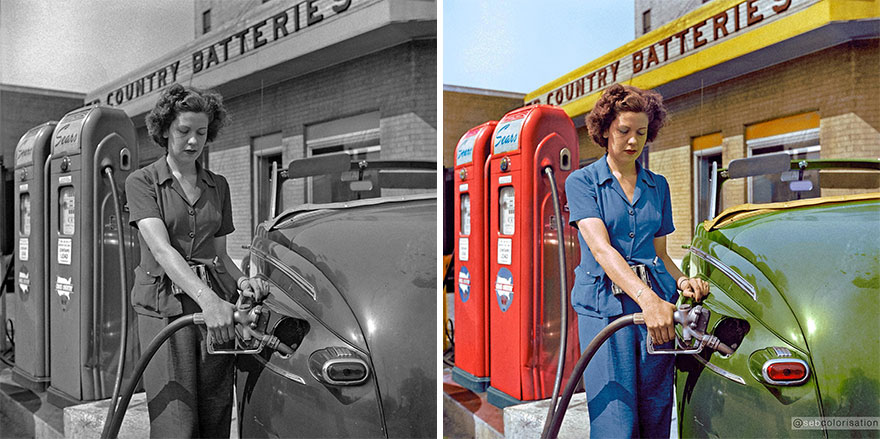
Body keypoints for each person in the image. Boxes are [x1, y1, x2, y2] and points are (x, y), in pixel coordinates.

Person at [564, 83, 709, 438]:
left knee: (656, 411)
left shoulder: (658, 185)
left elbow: (660, 254)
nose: (633, 141)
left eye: (641, 133)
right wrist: (648, 299)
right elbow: (602, 249)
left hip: (657, 310)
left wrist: (683, 281)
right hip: (606, 310)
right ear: (605, 131)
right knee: (617, 420)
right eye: (624, 131)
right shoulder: (582, 182)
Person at [125, 83, 268, 438]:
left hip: (215, 310)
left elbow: (220, 255)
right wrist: (209, 300)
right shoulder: (143, 182)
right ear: (164, 130)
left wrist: (243, 282)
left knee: (216, 413)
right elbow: (162, 250)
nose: (193, 141)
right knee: (177, 422)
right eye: (183, 131)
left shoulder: (218, 185)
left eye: (201, 133)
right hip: (165, 310)